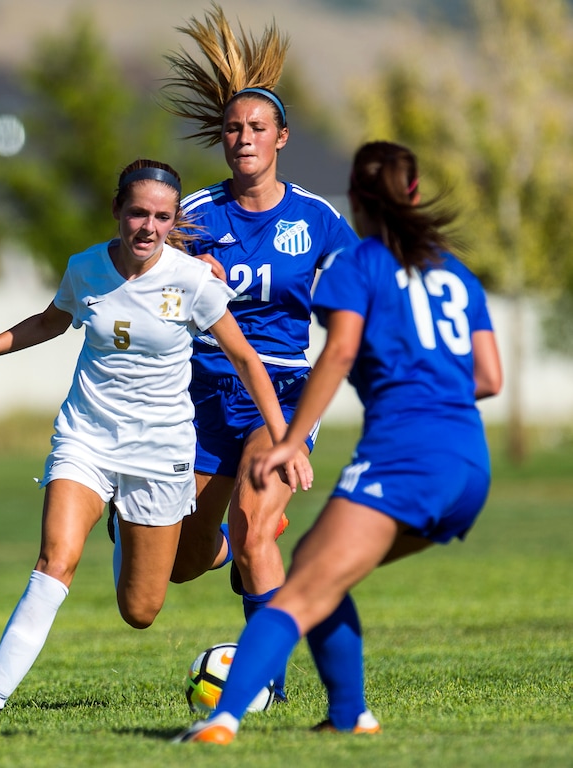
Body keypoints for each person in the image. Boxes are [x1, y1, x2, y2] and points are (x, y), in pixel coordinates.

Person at [0, 158, 312, 715]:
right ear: (117, 211)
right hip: (87, 437)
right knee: (56, 559)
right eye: (138, 212)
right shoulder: (87, 268)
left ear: (173, 223)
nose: (148, 226)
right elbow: (50, 320)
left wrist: (287, 441)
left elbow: (245, 358)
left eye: (162, 217)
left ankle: (216, 549)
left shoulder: (193, 281)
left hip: (162, 450)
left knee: (141, 610)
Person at [172, 140, 503, 743]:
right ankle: (350, 716)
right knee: (323, 575)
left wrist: (289, 438)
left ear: (355, 197)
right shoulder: (453, 271)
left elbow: (341, 350)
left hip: (404, 457)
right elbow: (489, 377)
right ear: (414, 192)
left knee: (301, 584)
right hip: (470, 463)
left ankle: (224, 718)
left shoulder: (360, 264)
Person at [161, 3, 359, 703]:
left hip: (278, 393)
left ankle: (261, 686)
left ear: (281, 137)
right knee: (181, 565)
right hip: (202, 394)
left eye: (256, 128)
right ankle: (221, 554)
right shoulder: (194, 219)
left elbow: (354, 313)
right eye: (232, 129)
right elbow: (138, 279)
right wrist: (188, 280)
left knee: (255, 530)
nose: (242, 137)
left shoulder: (317, 219)